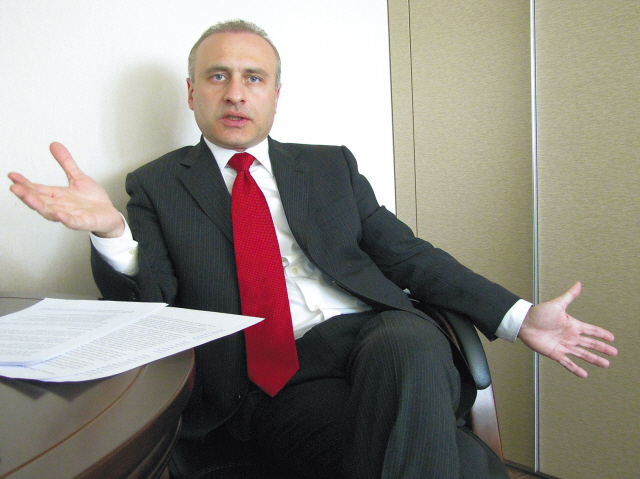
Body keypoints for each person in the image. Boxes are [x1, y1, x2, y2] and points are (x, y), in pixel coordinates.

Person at [8, 20, 617, 479]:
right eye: (218, 76)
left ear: (276, 93)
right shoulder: (157, 186)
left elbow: (407, 258)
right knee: (434, 449)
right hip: (274, 382)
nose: (236, 93)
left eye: (254, 78)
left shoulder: (331, 167)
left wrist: (517, 315)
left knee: (408, 338)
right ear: (192, 93)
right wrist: (112, 234)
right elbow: (152, 307)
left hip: (377, 340)